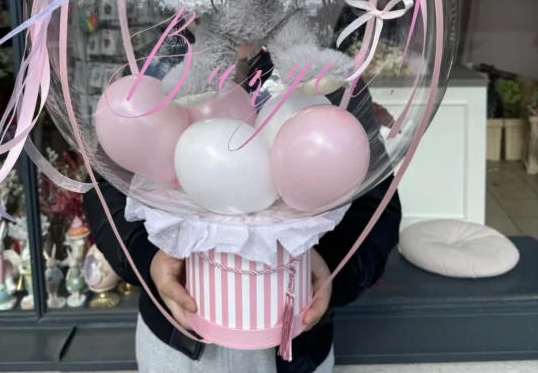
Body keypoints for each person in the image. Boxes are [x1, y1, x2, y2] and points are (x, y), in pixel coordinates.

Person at [83, 45, 401, 373]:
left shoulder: (326, 76)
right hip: (175, 347)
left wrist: (331, 266)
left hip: (296, 349)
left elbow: (377, 205)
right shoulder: (157, 67)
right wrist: (148, 257)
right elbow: (104, 187)